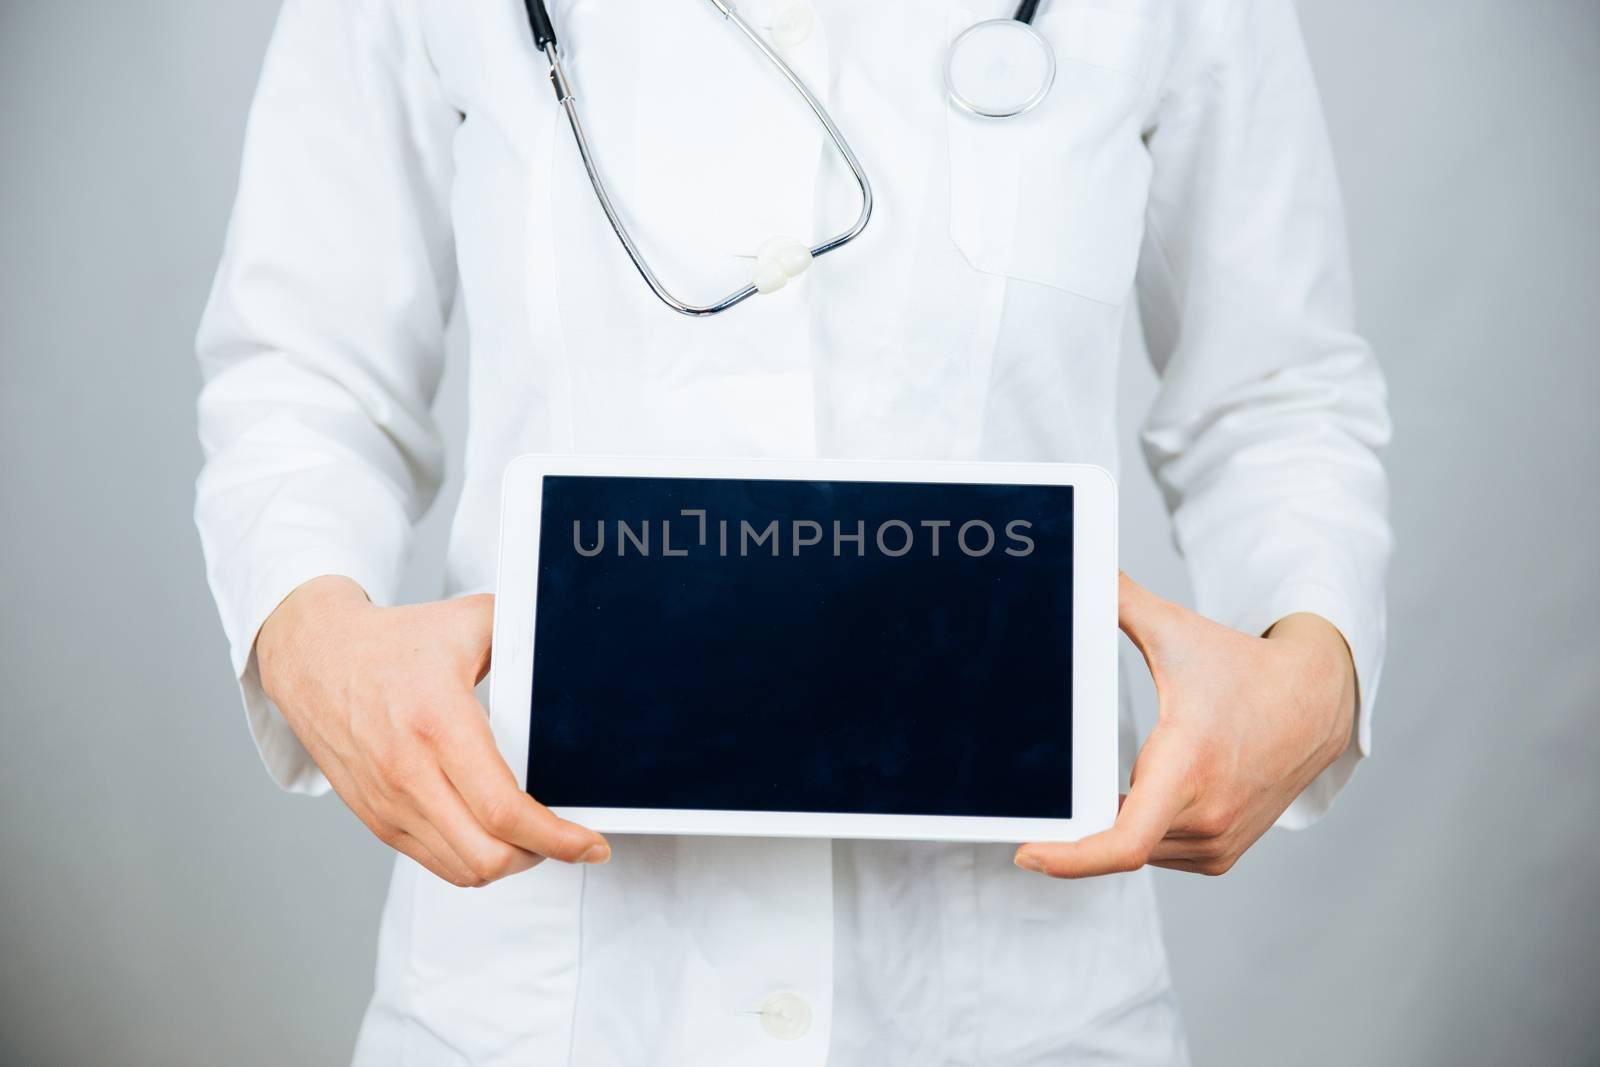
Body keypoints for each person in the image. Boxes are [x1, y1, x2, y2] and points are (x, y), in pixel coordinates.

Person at [194, 0, 1390, 1062]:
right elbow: (305, 375)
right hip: (548, 989)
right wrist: (313, 637)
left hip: (1018, 993)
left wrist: (1311, 662)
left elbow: (1273, 396)